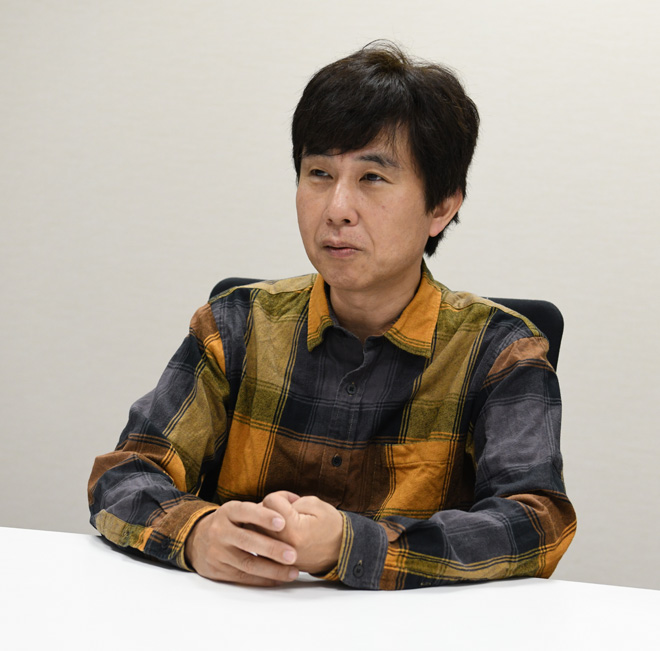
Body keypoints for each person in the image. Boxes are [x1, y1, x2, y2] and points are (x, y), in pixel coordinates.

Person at [88, 41, 576, 590]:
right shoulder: (236, 325)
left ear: (441, 207)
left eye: (372, 178)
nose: (336, 208)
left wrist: (350, 544)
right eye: (318, 172)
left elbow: (537, 525)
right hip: (239, 617)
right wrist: (197, 533)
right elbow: (124, 473)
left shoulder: (501, 350)